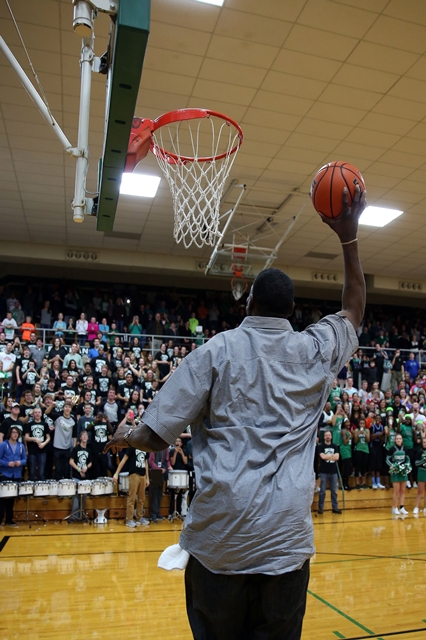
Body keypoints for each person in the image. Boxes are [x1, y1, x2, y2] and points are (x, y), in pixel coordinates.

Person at [105, 186, 366, 640]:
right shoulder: (315, 350)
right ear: (292, 312)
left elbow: (154, 437)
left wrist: (125, 434)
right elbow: (353, 308)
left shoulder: (214, 351)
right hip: (286, 541)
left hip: (221, 540)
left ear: (249, 305)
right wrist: (348, 235)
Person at [113, 410, 150, 528]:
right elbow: (123, 460)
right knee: (132, 498)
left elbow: (146, 462)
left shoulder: (145, 447)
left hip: (143, 475)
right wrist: (116, 473)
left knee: (142, 499)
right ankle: (129, 519)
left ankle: (139, 517)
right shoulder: (133, 446)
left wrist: (147, 477)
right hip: (134, 474)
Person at [0, 426, 27, 527]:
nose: (15, 434)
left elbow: (24, 459)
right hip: (5, 474)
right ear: (9, 434)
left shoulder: (21, 446)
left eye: (17, 433)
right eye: (13, 432)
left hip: (16, 474)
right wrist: (7, 464)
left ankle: (9, 520)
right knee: (2, 499)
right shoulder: (4, 445)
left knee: (12, 499)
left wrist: (20, 462)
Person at [69, 430, 92, 521]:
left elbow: (90, 462)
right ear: (80, 438)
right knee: (76, 497)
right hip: (76, 476)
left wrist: (86, 467)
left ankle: (82, 515)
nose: (85, 437)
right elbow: (71, 461)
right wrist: (79, 470)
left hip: (85, 478)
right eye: (83, 435)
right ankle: (74, 516)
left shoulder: (88, 450)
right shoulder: (76, 449)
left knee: (84, 497)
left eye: (86, 435)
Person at [317, 429, 341, 514]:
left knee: (334, 490)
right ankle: (320, 508)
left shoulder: (335, 446)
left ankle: (335, 507)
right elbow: (322, 457)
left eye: (329, 435)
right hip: (324, 472)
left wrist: (328, 456)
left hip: (333, 472)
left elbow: (337, 457)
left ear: (331, 436)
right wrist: (332, 456)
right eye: (326, 435)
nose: (328, 436)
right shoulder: (321, 446)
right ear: (324, 437)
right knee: (322, 491)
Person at [386, 433, 411, 516]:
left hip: (403, 471)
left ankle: (402, 507)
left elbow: (408, 459)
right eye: (397, 439)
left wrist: (406, 466)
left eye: (400, 438)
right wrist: (392, 466)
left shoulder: (405, 449)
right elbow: (387, 459)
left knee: (403, 491)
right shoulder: (392, 449)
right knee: (396, 491)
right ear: (395, 440)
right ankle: (395, 507)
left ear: (402, 440)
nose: (398, 440)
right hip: (395, 472)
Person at [413, 433, 426, 515]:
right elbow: (416, 463)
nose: (425, 443)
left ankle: (425, 507)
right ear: (422, 443)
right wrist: (423, 460)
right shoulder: (420, 451)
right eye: (424, 442)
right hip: (421, 472)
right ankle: (416, 507)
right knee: (420, 491)